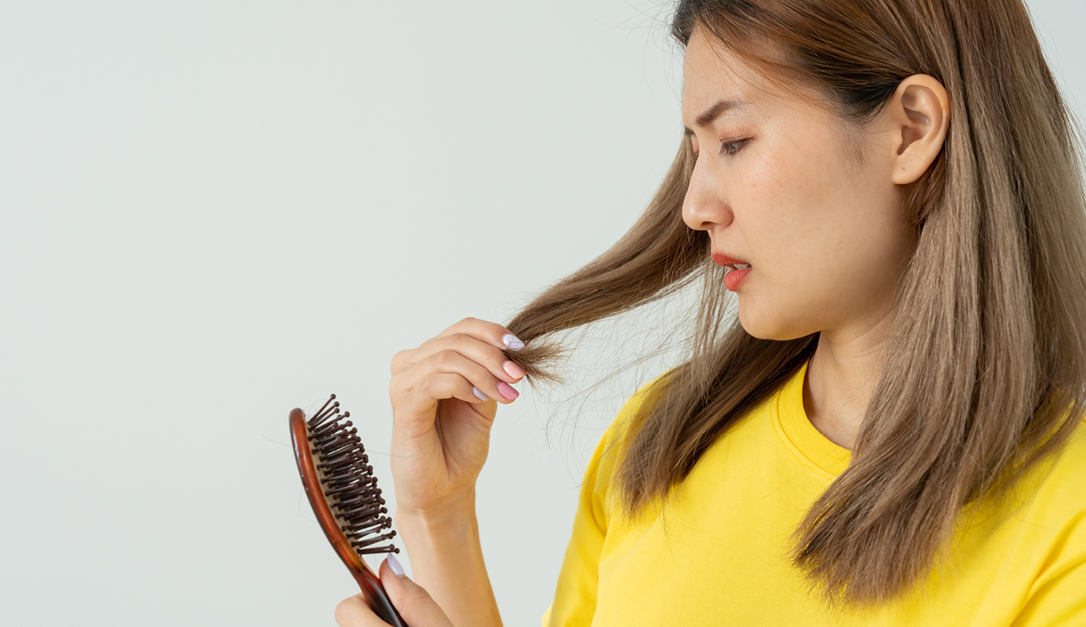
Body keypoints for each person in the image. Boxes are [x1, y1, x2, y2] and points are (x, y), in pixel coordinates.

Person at [335, 0, 1086, 625]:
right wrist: (439, 513)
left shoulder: (1068, 520)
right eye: (695, 151)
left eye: (734, 141)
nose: (695, 207)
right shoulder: (658, 444)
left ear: (913, 128)